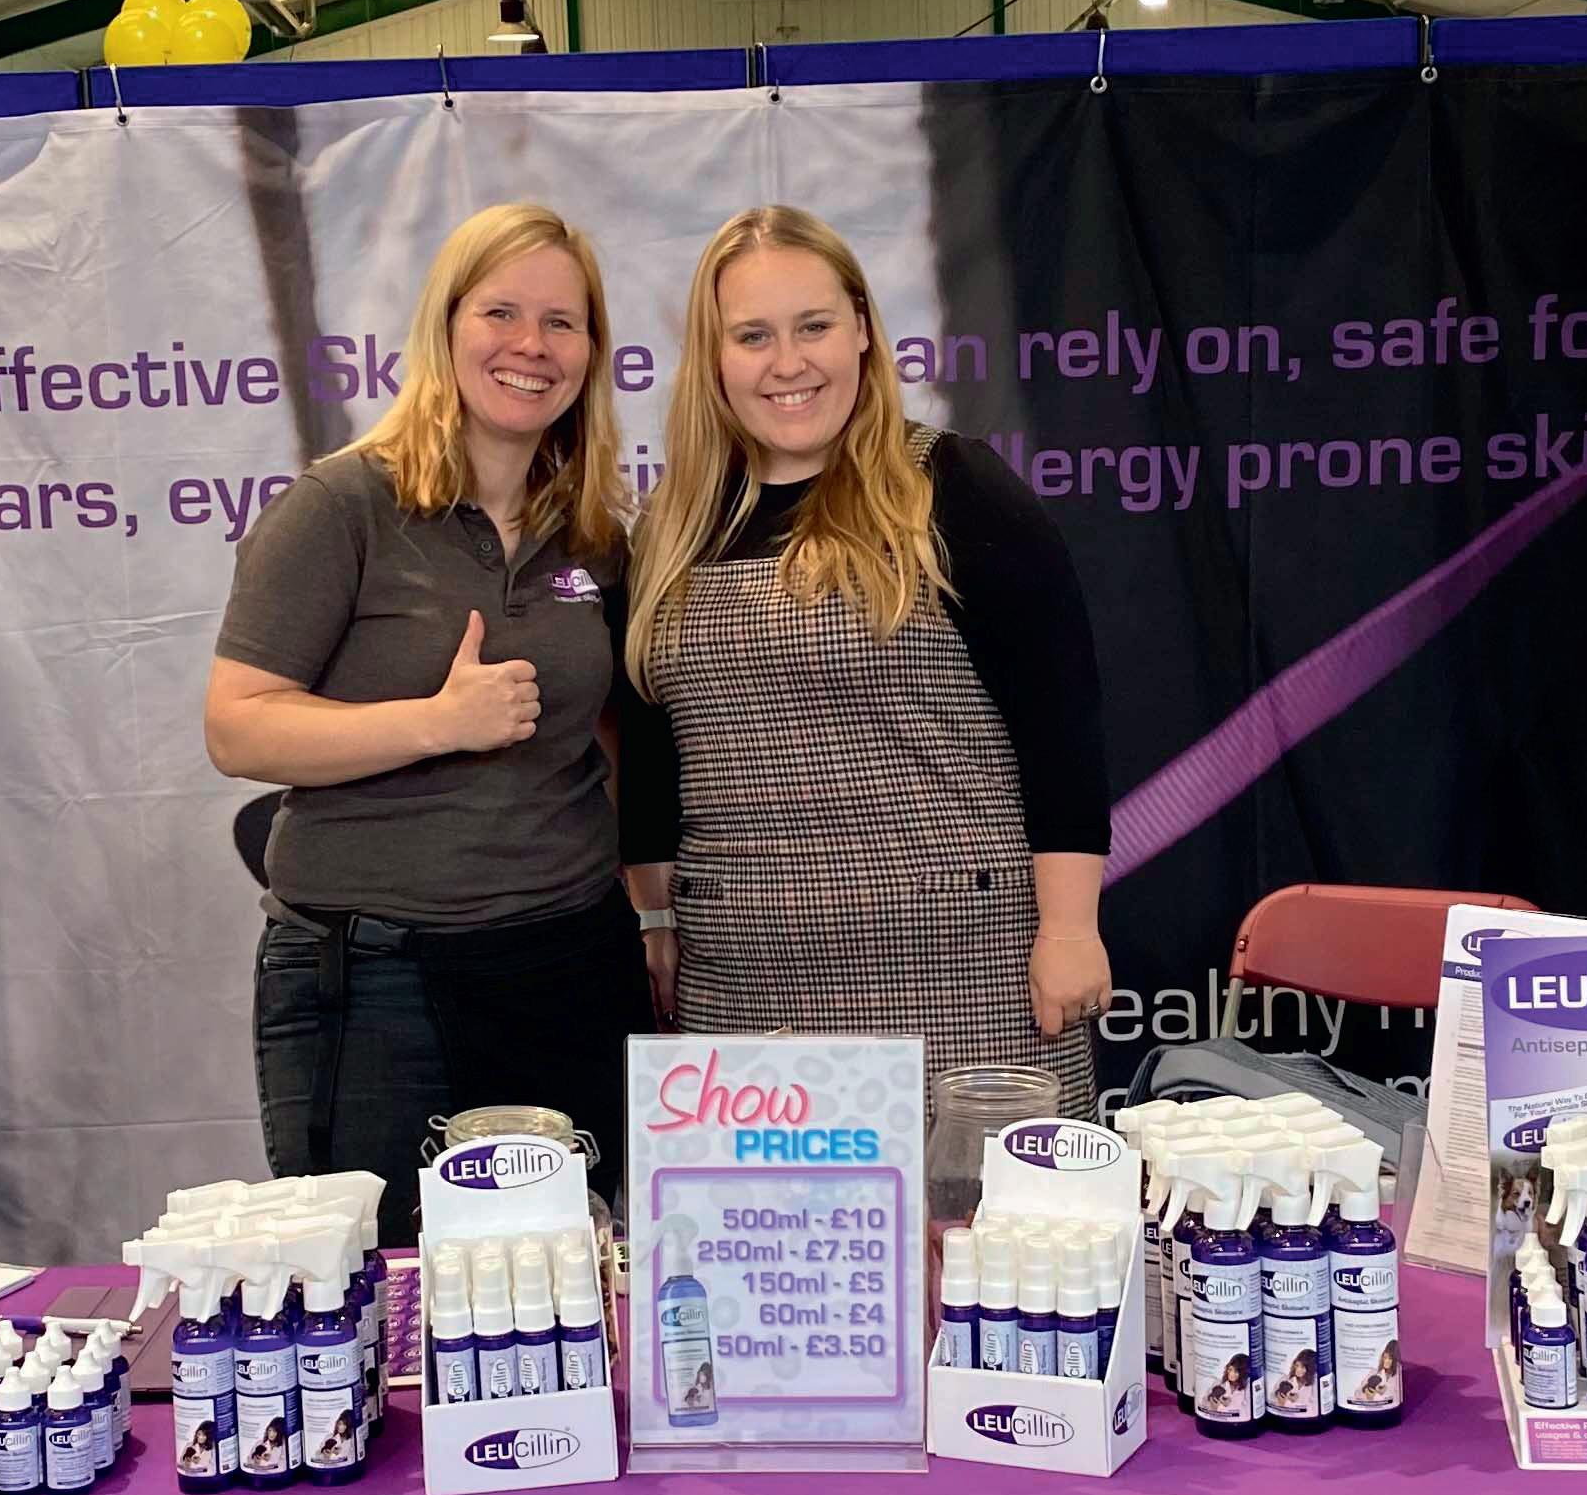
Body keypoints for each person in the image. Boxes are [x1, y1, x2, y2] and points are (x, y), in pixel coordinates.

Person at [206, 204, 657, 1240]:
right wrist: (440, 721)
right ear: (445, 325)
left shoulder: (596, 532)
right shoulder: (342, 507)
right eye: (500, 312)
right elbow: (238, 728)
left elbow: (616, 742)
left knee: (566, 1283)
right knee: (388, 1287)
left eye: (562, 321)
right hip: (377, 982)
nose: (531, 345)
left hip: (569, 967)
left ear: (591, 352)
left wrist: (654, 914)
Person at [618, 206, 1108, 1110]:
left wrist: (1071, 930)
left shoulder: (952, 486)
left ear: (862, 330)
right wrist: (653, 919)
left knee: (981, 1206)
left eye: (813, 326)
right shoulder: (671, 527)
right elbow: (653, 753)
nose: (788, 362)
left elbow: (1061, 722)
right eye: (753, 336)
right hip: (743, 987)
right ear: (714, 357)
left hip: (964, 974)